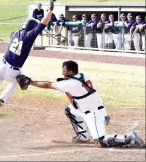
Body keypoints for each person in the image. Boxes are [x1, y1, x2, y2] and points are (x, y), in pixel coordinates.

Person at [16, 60, 145, 148]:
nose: (62, 73)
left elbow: (48, 84)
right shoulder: (83, 75)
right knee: (70, 109)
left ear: (71, 72)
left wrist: (31, 82)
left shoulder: (71, 83)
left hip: (93, 113)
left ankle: (129, 137)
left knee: (101, 141)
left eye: (64, 71)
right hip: (91, 107)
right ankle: (83, 136)